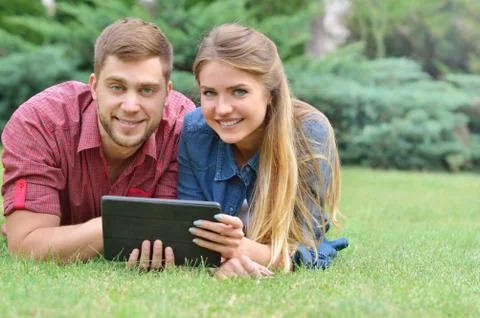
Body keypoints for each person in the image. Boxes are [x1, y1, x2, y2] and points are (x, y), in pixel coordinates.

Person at [1, 18, 195, 263]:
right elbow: (27, 245)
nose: (131, 106)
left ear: (167, 93)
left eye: (147, 90)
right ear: (94, 86)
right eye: (117, 87)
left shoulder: (183, 129)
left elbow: (171, 232)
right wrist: (123, 223)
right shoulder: (40, 123)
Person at [177, 23, 348, 278]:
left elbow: (305, 246)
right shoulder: (195, 131)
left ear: (269, 92)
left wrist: (241, 250)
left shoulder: (309, 134)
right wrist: (220, 260)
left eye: (239, 91)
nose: (222, 109)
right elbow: (188, 231)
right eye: (209, 93)